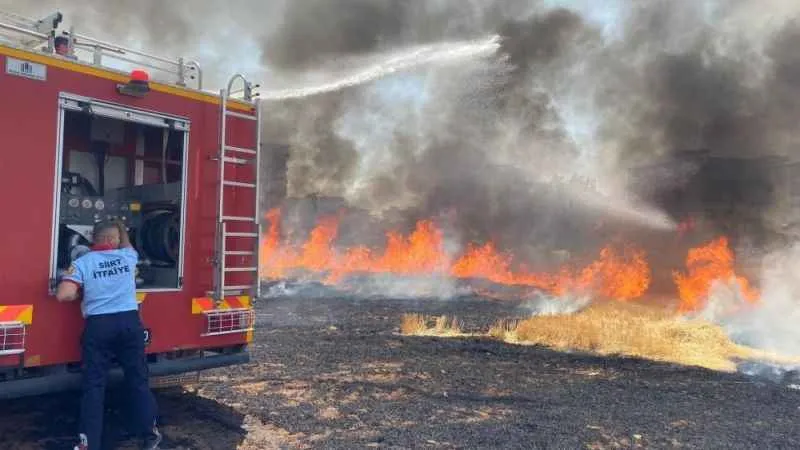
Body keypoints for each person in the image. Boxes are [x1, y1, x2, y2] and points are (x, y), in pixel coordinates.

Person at [56, 220, 162, 450]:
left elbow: (63, 295)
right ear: (113, 240)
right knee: (138, 380)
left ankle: (88, 443)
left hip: (99, 325)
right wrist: (121, 228)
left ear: (94, 240)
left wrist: (80, 294)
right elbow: (127, 244)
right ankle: (149, 435)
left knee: (94, 385)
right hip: (130, 323)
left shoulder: (82, 262)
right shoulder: (127, 257)